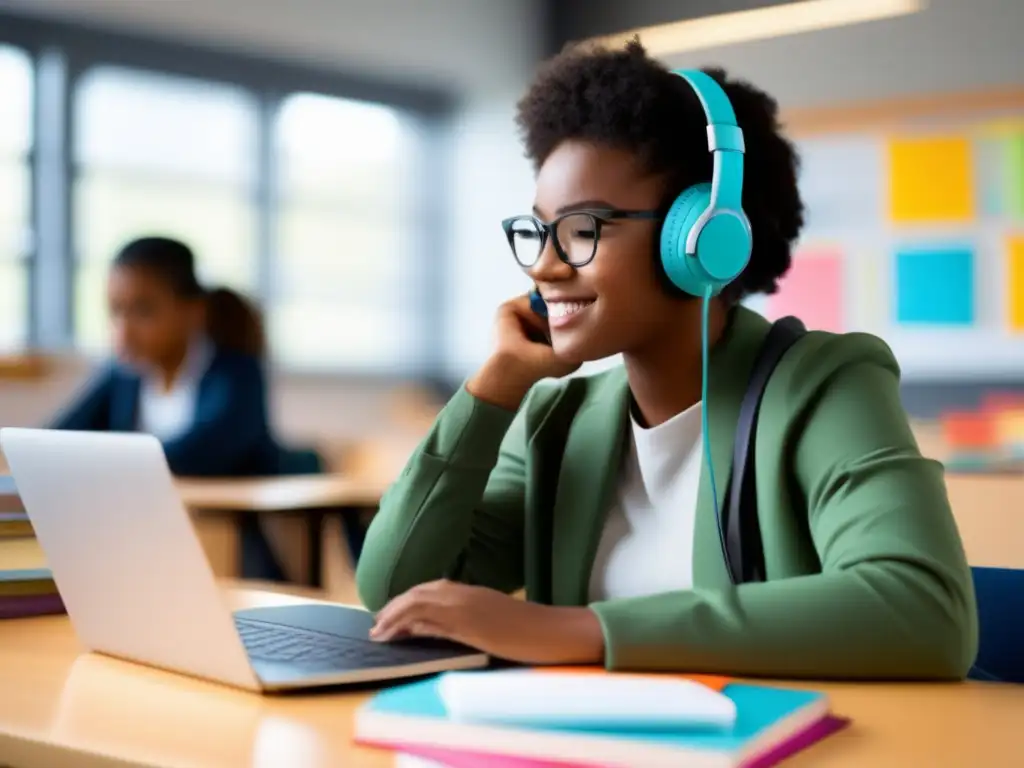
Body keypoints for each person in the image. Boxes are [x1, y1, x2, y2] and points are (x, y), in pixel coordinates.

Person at [355, 40, 979, 679]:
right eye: (540, 230)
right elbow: (397, 589)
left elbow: (925, 610)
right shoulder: (558, 420)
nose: (544, 265)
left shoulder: (825, 385)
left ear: (701, 236)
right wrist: (492, 390)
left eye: (581, 229)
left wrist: (577, 630)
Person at [51, 236, 293, 581]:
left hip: (231, 561)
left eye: (144, 310)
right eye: (115, 310)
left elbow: (202, 452)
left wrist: (102, 463)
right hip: (144, 554)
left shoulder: (237, 374)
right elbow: (53, 439)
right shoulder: (123, 377)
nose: (124, 330)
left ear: (193, 312)